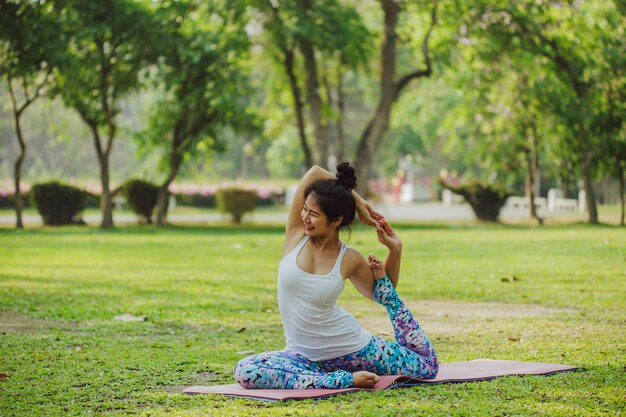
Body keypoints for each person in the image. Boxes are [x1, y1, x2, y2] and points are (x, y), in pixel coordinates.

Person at [234, 162, 438, 389]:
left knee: (426, 366)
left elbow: (383, 292)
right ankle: (343, 380)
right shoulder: (295, 235)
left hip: (353, 349)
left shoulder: (349, 258)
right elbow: (314, 172)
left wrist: (395, 250)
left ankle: (330, 378)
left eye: (313, 214)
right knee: (247, 371)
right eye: (305, 210)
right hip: (303, 357)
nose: (305, 218)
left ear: (336, 220)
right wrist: (359, 202)